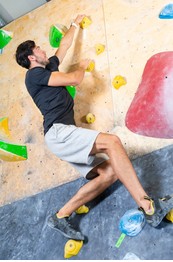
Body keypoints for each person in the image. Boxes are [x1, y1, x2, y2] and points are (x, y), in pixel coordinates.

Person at [15, 14, 173, 241]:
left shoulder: (48, 67)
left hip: (62, 136)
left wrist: (74, 24)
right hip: (59, 133)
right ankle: (149, 208)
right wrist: (81, 67)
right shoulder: (34, 75)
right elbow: (74, 79)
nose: (42, 49)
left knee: (109, 173)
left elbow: (64, 46)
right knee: (112, 142)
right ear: (31, 56)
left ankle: (60, 216)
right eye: (38, 48)